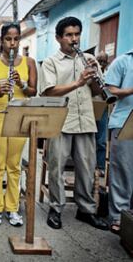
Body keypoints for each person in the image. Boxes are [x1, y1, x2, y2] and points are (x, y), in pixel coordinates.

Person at [39, 16, 108, 230]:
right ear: (59, 38)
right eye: (69, 35)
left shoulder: (88, 58)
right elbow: (49, 90)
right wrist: (78, 82)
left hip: (85, 118)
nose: (74, 39)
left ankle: (86, 210)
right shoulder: (51, 62)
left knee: (87, 167)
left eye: (77, 34)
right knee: (57, 166)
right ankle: (56, 208)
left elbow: (97, 92)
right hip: (61, 119)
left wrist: (95, 76)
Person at [0, 22, 37, 226]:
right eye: (8, 39)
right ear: (2, 41)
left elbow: (33, 91)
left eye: (16, 39)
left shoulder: (29, 62)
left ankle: (12, 208)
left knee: (14, 165)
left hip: (19, 116)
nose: (12, 43)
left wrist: (21, 84)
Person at [105, 49, 133, 234]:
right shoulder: (123, 61)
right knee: (123, 170)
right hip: (125, 121)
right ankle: (117, 216)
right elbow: (110, 90)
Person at [95, 51, 109, 177]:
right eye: (99, 61)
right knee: (90, 139)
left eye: (104, 61)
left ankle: (100, 166)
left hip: (103, 107)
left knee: (101, 140)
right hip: (93, 107)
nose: (101, 63)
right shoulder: (93, 70)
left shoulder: (109, 74)